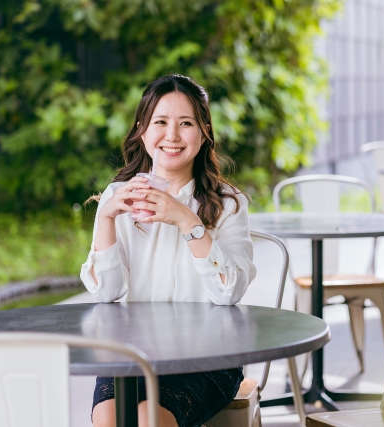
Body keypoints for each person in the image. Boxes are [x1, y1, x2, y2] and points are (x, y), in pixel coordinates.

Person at [80, 74, 256, 427]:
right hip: (130, 354)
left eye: (186, 123)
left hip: (208, 357)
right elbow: (108, 292)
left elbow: (229, 292)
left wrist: (187, 222)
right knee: (108, 418)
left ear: (204, 132)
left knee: (148, 419)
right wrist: (107, 218)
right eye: (160, 122)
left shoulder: (229, 204)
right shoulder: (120, 196)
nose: (172, 136)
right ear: (143, 131)